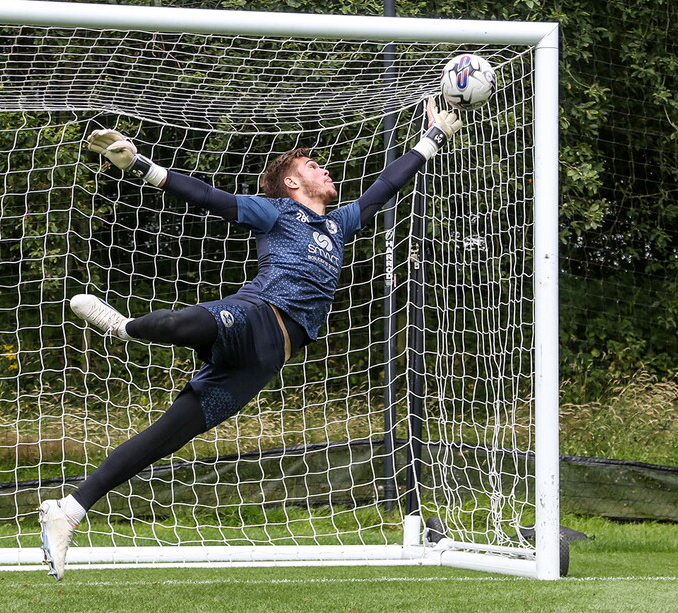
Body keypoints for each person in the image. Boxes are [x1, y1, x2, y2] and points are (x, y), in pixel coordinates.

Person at [38, 97, 462, 580]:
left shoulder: (340, 223)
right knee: (180, 326)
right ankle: (123, 327)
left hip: (264, 360)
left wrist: (432, 139)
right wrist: (139, 164)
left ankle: (68, 511)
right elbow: (209, 198)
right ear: (291, 182)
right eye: (312, 166)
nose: (324, 171)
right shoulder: (277, 212)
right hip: (257, 314)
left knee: (167, 436)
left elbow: (384, 186)